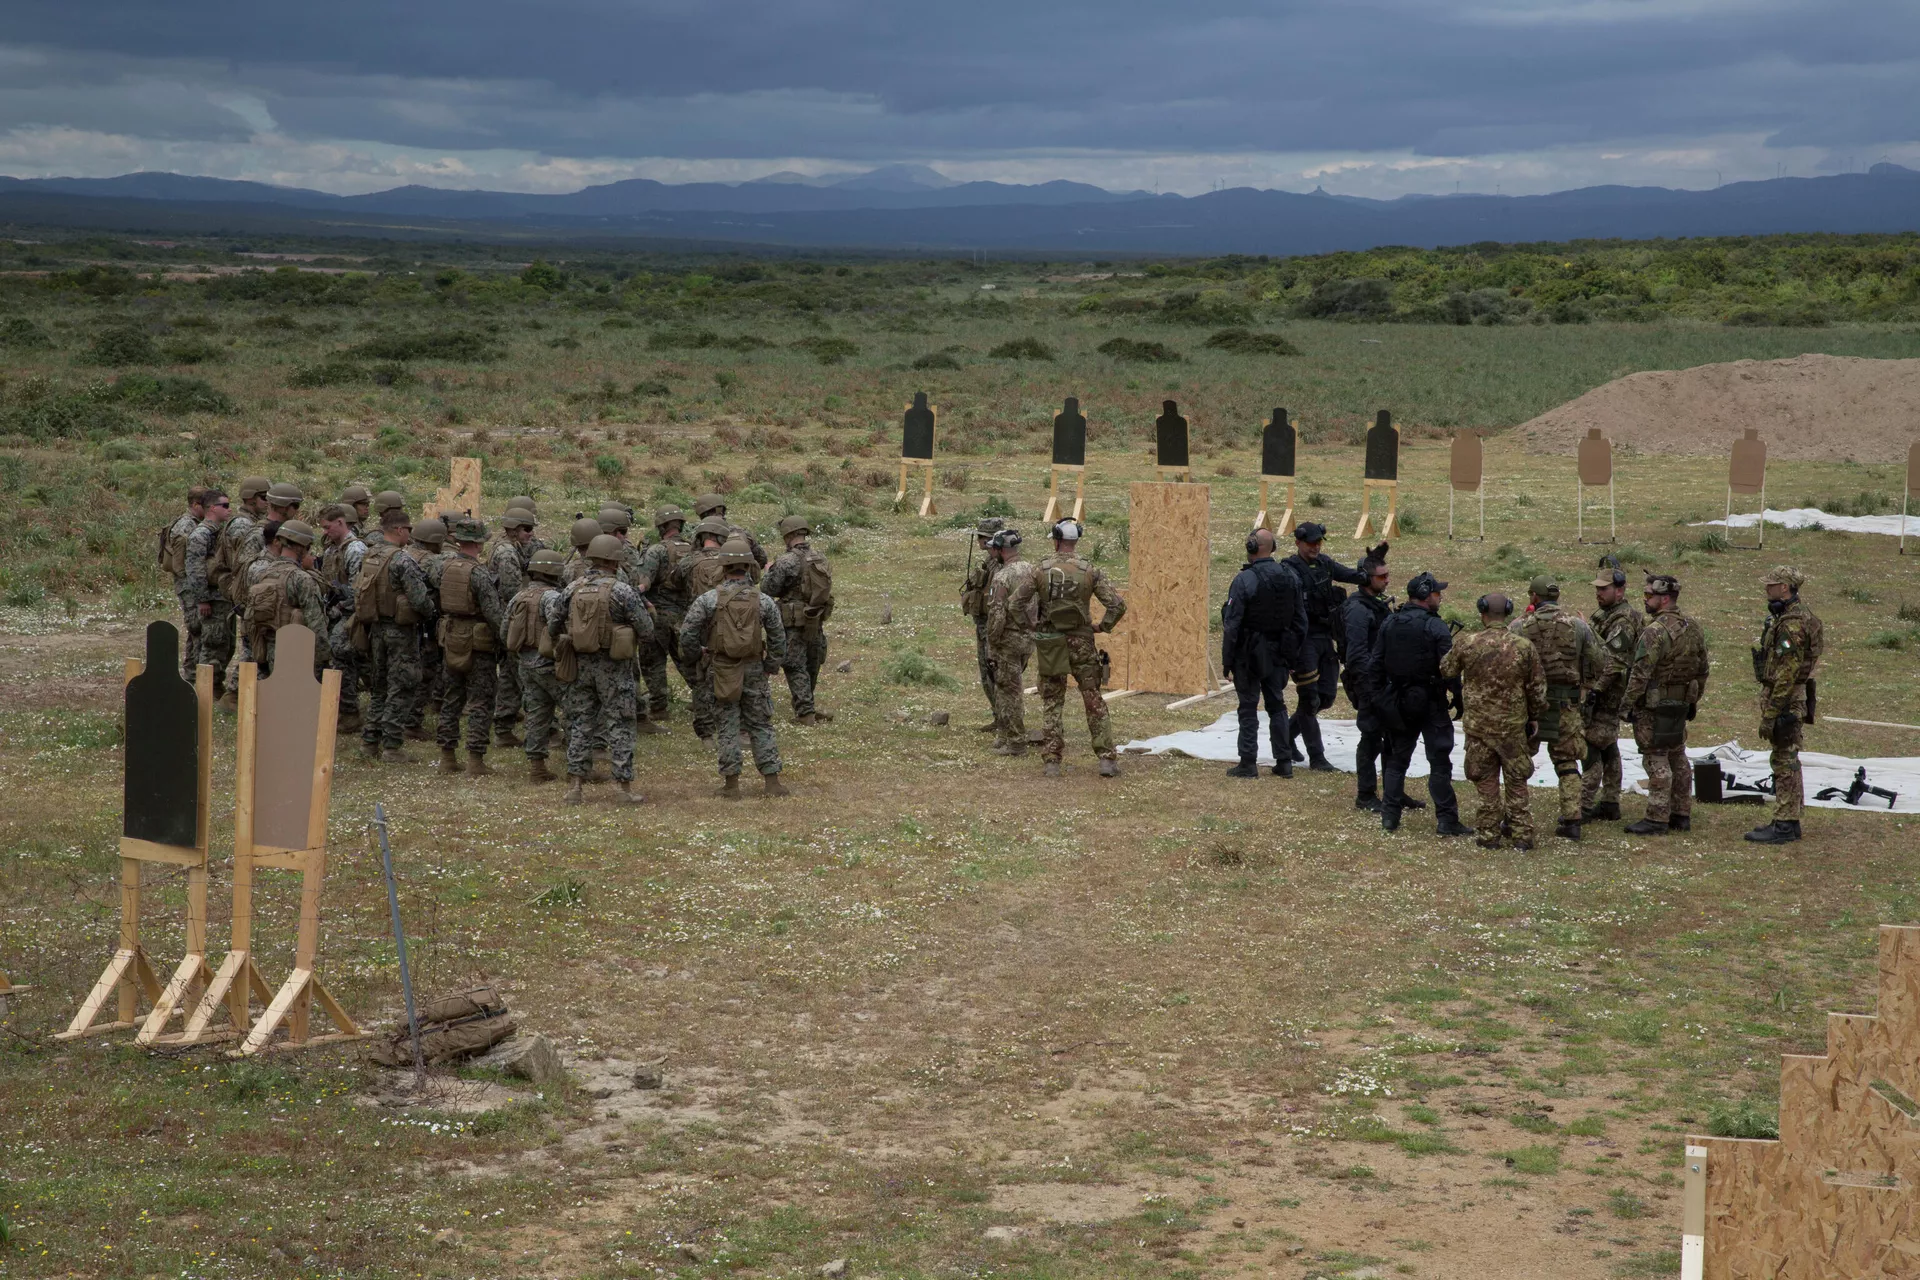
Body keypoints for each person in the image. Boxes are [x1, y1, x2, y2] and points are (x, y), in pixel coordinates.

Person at [1009, 519, 1127, 778]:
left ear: (1056, 540)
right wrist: (1102, 627)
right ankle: (1106, 759)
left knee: (1052, 701)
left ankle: (1052, 760)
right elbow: (1118, 605)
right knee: (1093, 699)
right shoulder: (1089, 570)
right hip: (1082, 644)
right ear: (1076, 541)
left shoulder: (1041, 569)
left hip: (1051, 643)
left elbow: (1015, 603)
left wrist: (1031, 627)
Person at [681, 537, 789, 797]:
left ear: (724, 566)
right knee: (761, 723)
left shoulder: (708, 600)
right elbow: (778, 638)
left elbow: (687, 635)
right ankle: (772, 782)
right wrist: (770, 666)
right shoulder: (763, 601)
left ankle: (732, 785)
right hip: (754, 668)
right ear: (748, 566)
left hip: (720, 668)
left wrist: (699, 654)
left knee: (727, 724)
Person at [548, 533, 651, 805]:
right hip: (614, 666)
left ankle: (575, 787)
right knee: (620, 722)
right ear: (615, 561)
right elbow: (647, 629)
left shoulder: (572, 588)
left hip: (579, 665)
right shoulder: (622, 590)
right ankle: (622, 787)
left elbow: (552, 624)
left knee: (580, 722)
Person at [1443, 593, 1547, 850]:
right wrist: (1534, 716)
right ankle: (1522, 835)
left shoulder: (1468, 643)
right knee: (1517, 783)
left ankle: (1489, 835)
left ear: (1482, 612)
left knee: (1486, 784)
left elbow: (1446, 669)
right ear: (1509, 612)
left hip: (1479, 730)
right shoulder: (1524, 647)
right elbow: (1537, 689)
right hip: (1513, 729)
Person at [1371, 572, 1472, 836]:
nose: (1440, 596)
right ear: (1427, 595)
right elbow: (1449, 669)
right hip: (1430, 701)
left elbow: (1376, 663)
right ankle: (1446, 820)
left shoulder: (1390, 622)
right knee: (1439, 761)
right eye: (1437, 593)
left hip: (1399, 700)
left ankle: (1389, 817)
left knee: (1396, 760)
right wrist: (1458, 697)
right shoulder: (1435, 626)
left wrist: (1381, 698)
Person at [1283, 523, 1382, 771]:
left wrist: (1371, 567)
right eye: (1311, 543)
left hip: (1325, 639)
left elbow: (1352, 575)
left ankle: (1284, 735)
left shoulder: (1326, 564)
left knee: (1325, 698)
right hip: (1303, 641)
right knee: (1309, 699)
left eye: (1319, 542)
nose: (1316, 547)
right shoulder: (1289, 570)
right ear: (1298, 543)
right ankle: (1317, 757)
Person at [1512, 575, 1601, 841]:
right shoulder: (1578, 627)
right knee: (1567, 761)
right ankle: (1572, 820)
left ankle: (1514, 817)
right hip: (1566, 705)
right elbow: (1598, 662)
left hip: (1530, 706)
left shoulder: (1518, 626)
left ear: (1534, 598)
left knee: (1518, 762)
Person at [1622, 573, 1711, 835]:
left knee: (1656, 757)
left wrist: (1626, 705)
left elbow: (1640, 673)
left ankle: (1657, 817)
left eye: (1648, 595)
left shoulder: (1654, 631)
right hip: (1680, 703)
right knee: (1678, 756)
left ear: (1664, 598)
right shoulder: (1692, 626)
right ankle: (1681, 813)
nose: (1644, 599)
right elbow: (1702, 668)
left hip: (1653, 706)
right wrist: (1693, 699)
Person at [1220, 527, 1306, 779]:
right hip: (1279, 652)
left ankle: (1248, 762)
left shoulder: (1245, 580)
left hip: (1249, 653)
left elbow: (1232, 624)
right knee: (1277, 704)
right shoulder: (1290, 576)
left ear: (1251, 547)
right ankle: (1284, 760)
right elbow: (1301, 622)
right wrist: (1292, 656)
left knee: (1248, 707)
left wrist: (1227, 660)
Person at [353, 507, 437, 762]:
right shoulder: (401, 560)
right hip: (401, 632)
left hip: (376, 628)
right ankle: (391, 746)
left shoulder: (371, 555)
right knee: (402, 686)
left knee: (379, 688)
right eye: (408, 530)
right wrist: (430, 612)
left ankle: (369, 742)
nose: (409, 535)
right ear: (399, 530)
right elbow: (420, 600)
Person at [1747, 566, 1824, 844]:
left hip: (1786, 699)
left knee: (1783, 760)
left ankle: (1785, 823)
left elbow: (1787, 674)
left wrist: (1770, 713)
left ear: (1785, 588)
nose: (1766, 589)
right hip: (1792, 697)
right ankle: (1788, 819)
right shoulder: (1801, 617)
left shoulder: (1792, 624)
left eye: (1772, 585)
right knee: (1788, 757)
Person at [434, 517, 509, 777]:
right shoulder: (478, 573)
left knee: (451, 698)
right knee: (480, 701)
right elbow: (493, 613)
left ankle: (447, 757)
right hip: (477, 644)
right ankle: (475, 760)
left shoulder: (443, 566)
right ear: (478, 544)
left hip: (450, 637)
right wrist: (506, 640)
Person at [1342, 555, 1415, 810]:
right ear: (1365, 578)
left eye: (1387, 575)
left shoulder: (1374, 605)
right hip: (1370, 685)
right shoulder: (1358, 611)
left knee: (1392, 739)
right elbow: (1357, 655)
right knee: (1371, 739)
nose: (1386, 581)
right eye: (1381, 577)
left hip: (1385, 683)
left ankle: (1394, 792)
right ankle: (1366, 794)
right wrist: (1370, 689)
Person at [1580, 561, 1645, 822]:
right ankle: (1609, 801)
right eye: (1598, 588)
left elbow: (1614, 660)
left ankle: (1584, 804)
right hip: (1605, 688)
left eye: (1604, 589)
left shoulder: (1623, 618)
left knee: (1593, 745)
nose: (1599, 593)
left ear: (1620, 590)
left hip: (1608, 690)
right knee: (1608, 747)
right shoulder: (1606, 613)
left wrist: (1595, 691)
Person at [762, 514, 836, 724]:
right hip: (816, 619)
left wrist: (768, 571)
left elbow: (768, 589)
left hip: (793, 622)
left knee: (795, 665)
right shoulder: (821, 557)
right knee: (813, 660)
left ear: (788, 535)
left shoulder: (786, 561)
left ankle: (805, 712)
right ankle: (807, 704)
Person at [505, 548, 568, 782]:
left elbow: (505, 631)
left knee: (536, 715)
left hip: (526, 664)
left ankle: (537, 767)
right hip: (550, 665)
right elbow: (560, 627)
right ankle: (578, 764)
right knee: (574, 710)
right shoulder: (552, 597)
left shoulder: (518, 597)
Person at [242, 519, 331, 679]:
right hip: (296, 653)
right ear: (302, 547)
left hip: (267, 650)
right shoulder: (301, 578)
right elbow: (316, 623)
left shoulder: (261, 573)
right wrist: (323, 660)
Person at [635, 506, 696, 725]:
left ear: (661, 526)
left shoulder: (656, 551)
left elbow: (644, 581)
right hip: (685, 615)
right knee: (687, 659)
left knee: (653, 662)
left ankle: (659, 707)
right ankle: (703, 700)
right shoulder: (692, 550)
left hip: (657, 614)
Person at [487, 508, 539, 747]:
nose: (531, 534)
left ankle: (504, 727)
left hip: (504, 620)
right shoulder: (508, 553)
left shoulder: (506, 547)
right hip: (512, 620)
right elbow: (512, 593)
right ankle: (544, 729)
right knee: (526, 675)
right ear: (515, 529)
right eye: (527, 529)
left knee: (509, 674)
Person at [984, 528, 1037, 756]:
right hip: (1028, 639)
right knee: (1009, 687)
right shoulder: (1031, 570)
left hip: (1008, 641)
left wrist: (992, 641)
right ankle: (1005, 735)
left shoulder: (1002, 577)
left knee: (1009, 691)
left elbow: (997, 614)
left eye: (993, 548)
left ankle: (1016, 742)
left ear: (1000, 550)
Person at [316, 503, 366, 731]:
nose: (325, 532)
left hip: (349, 616)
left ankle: (349, 713)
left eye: (328, 527)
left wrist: (340, 607)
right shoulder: (331, 550)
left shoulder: (355, 550)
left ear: (340, 522)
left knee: (343, 662)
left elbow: (359, 590)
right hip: (334, 614)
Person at [184, 488, 236, 699]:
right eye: (225, 505)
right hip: (211, 600)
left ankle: (214, 685)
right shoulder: (201, 534)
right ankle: (206, 689)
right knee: (213, 643)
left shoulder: (218, 532)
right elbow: (195, 569)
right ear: (212, 508)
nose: (229, 509)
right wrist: (202, 599)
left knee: (225, 643)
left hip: (222, 598)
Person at [404, 515, 449, 741]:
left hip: (402, 622)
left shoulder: (403, 554)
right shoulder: (432, 561)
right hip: (425, 624)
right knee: (426, 671)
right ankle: (412, 721)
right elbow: (445, 586)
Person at [961, 516, 1006, 734]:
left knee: (994, 673)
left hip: (992, 626)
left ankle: (1005, 719)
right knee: (987, 674)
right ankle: (998, 716)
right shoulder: (990, 563)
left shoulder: (1000, 566)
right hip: (983, 624)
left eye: (981, 537)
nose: (978, 541)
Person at [162, 486, 208, 679]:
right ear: (196, 504)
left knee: (197, 631)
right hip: (188, 587)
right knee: (196, 629)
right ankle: (191, 675)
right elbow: (180, 566)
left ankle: (194, 673)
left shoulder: (195, 523)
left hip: (193, 585)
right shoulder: (185, 528)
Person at [691, 493, 768, 571]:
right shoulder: (741, 532)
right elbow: (762, 559)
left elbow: (691, 562)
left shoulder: (702, 535)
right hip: (743, 579)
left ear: (702, 514)